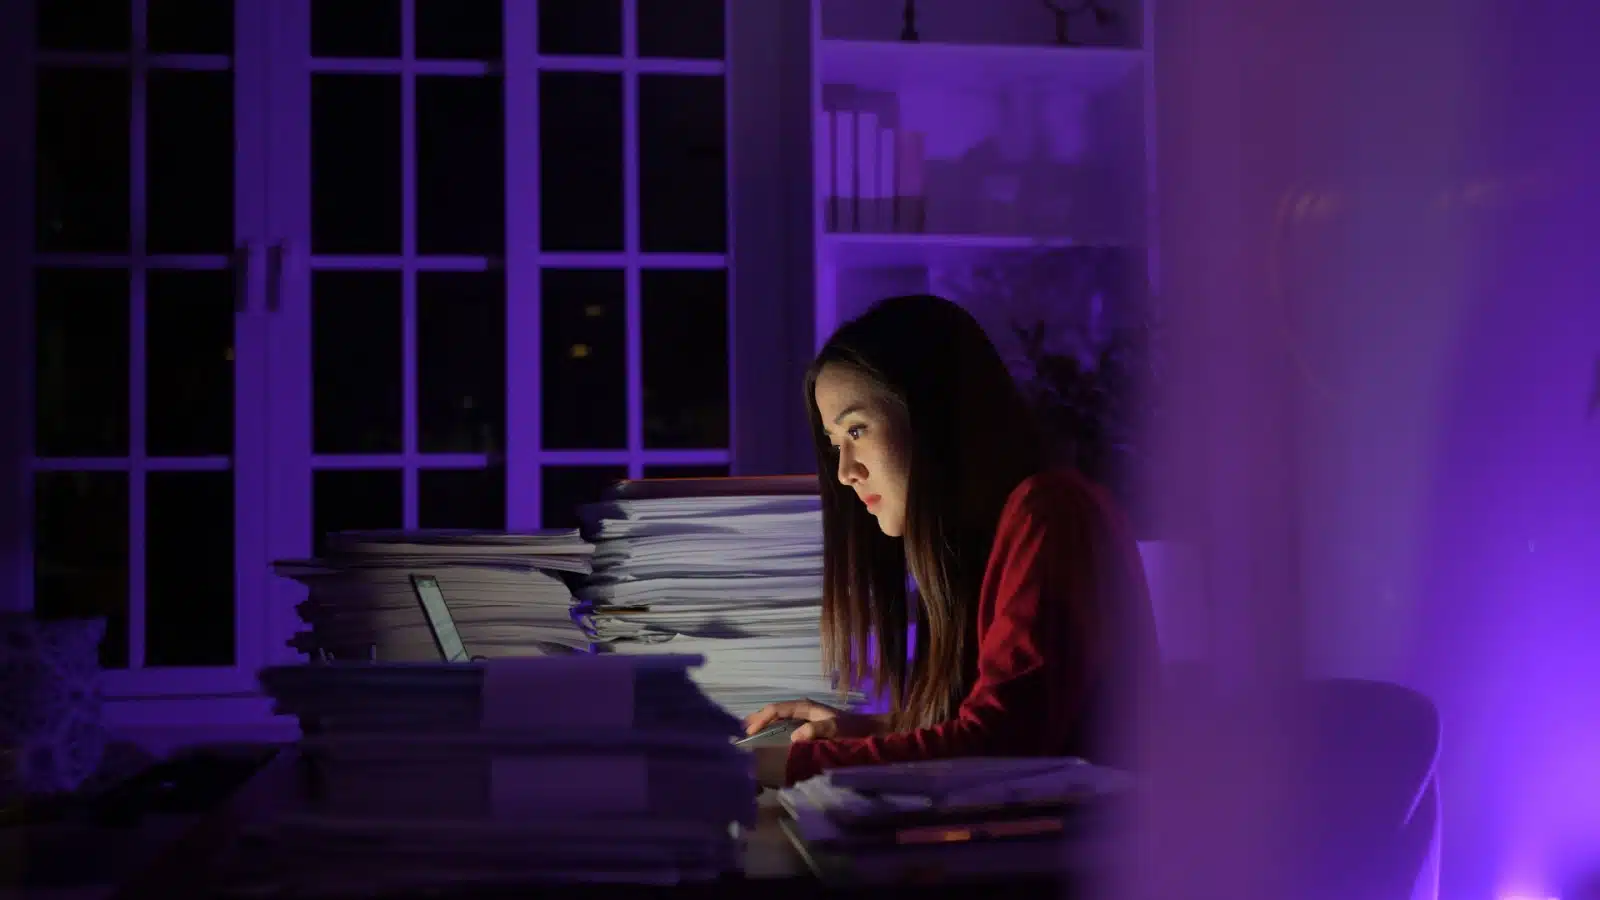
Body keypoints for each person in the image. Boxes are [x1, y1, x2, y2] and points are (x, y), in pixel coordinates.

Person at [743, 294, 1161, 789]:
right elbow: (977, 725)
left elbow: (1001, 744)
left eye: (857, 429)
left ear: (933, 416)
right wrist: (860, 730)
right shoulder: (985, 543)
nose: (845, 471)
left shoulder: (1050, 512)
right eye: (836, 444)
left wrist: (781, 767)